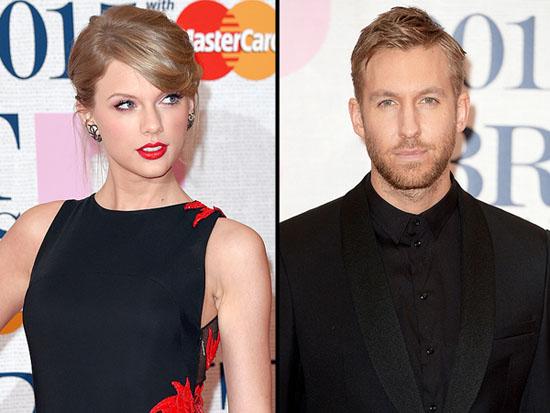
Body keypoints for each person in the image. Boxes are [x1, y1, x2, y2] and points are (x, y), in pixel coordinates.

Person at [0, 5, 271, 412]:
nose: (152, 125)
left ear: (191, 105)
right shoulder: (39, 233)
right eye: (126, 104)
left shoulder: (229, 248)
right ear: (88, 115)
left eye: (169, 98)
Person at [278, 6, 549, 412]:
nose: (409, 129)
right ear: (358, 117)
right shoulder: (295, 255)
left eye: (428, 100)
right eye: (387, 102)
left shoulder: (532, 256)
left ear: (460, 112)